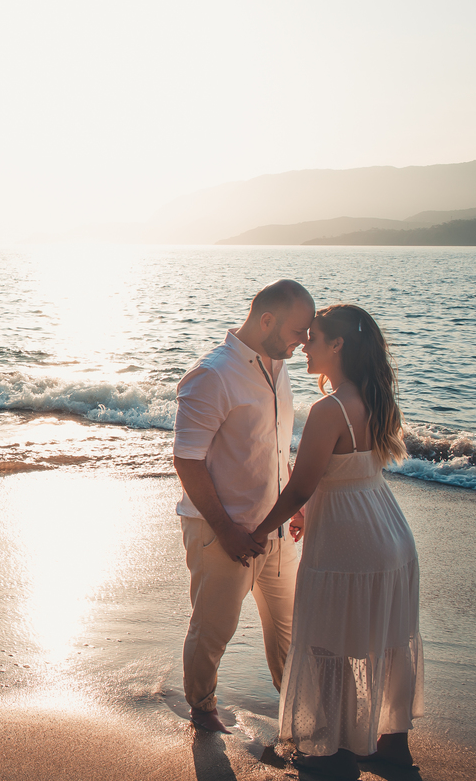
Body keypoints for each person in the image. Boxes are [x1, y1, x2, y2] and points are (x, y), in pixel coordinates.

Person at [249, 304, 422, 779]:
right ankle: (392, 746)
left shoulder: (330, 410)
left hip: (349, 542)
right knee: (386, 642)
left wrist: (257, 529)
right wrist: (308, 510)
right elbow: (347, 473)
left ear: (338, 345)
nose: (305, 344)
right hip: (390, 534)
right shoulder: (375, 396)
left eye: (315, 338)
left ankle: (330, 746)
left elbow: (302, 485)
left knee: (328, 643)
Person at [173, 279, 314, 733]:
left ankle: (301, 715)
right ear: (266, 320)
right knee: (213, 631)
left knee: (291, 631)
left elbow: (273, 448)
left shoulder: (279, 365)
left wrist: (294, 502)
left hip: (274, 532)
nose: (305, 341)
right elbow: (186, 459)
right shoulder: (212, 375)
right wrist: (228, 529)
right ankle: (202, 707)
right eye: (299, 330)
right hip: (221, 532)